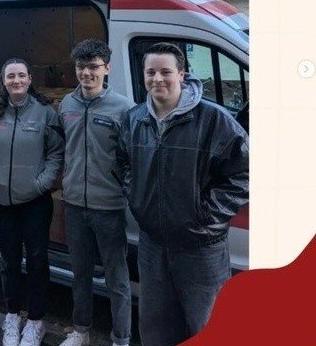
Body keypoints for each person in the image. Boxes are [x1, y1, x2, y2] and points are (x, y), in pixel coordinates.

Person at [116, 42, 249, 346]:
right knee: (156, 329)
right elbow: (123, 163)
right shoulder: (134, 119)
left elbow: (243, 173)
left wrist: (205, 217)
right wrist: (137, 198)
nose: (157, 79)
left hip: (201, 246)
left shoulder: (213, 120)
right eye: (150, 72)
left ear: (181, 74)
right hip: (152, 243)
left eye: (165, 72)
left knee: (208, 326)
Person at [0, 58, 65, 346]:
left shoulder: (45, 112)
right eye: (11, 76)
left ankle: (36, 321)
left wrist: (42, 183)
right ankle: (12, 315)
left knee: (37, 261)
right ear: (3, 80)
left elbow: (56, 152)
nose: (16, 80)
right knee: (9, 261)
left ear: (29, 79)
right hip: (0, 199)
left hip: (35, 201)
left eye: (21, 75)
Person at [57, 39, 135, 346]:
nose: (86, 73)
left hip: (109, 207)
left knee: (117, 279)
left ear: (107, 68)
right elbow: (63, 148)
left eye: (93, 67)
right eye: (81, 67)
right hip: (75, 205)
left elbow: (131, 159)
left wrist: (124, 190)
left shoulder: (124, 108)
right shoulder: (66, 105)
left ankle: (121, 339)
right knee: (80, 274)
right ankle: (81, 331)